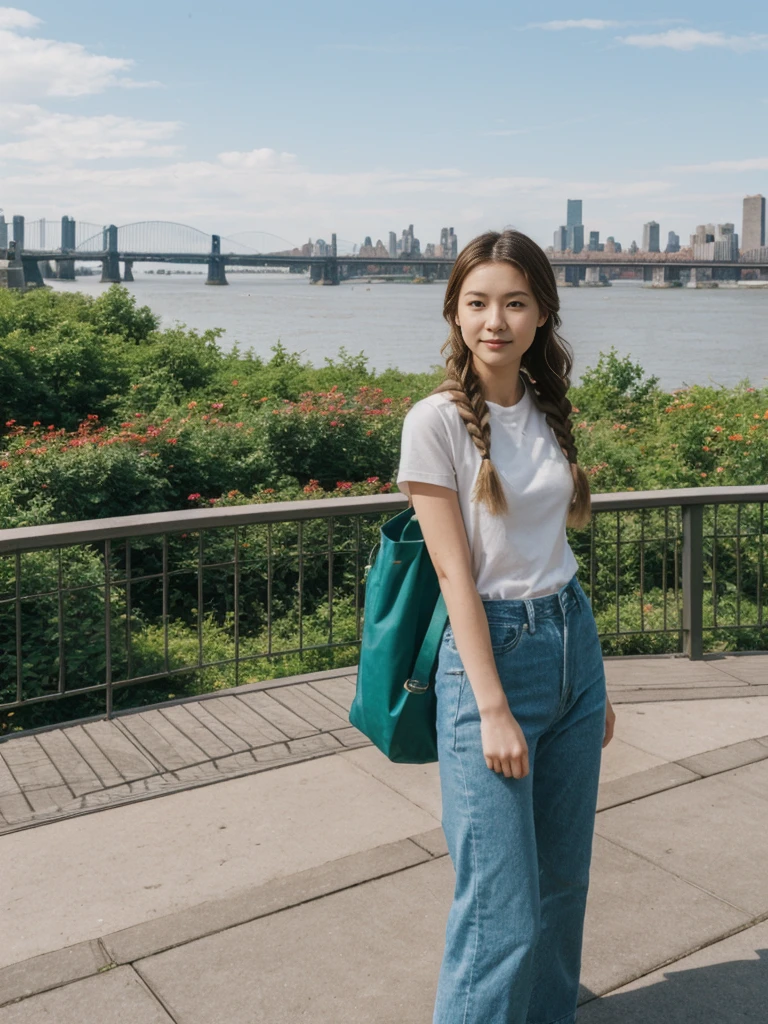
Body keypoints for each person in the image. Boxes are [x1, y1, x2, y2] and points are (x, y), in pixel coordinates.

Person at [395, 229, 616, 1024]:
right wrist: (491, 705)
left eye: (515, 302)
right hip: (491, 660)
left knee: (563, 887)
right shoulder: (435, 422)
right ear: (454, 313)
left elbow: (552, 552)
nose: (497, 319)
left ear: (542, 314)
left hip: (570, 649)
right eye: (479, 302)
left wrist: (593, 681)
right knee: (502, 914)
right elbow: (456, 574)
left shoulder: (550, 409)